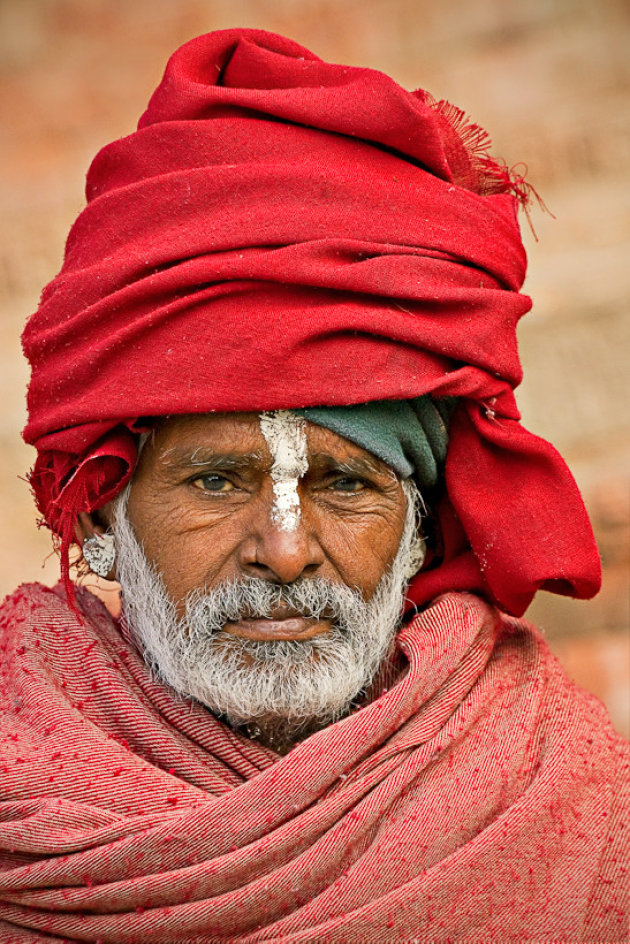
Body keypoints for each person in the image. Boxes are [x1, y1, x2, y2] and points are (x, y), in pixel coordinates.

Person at [1, 28, 627, 943]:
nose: (286, 551)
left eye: (345, 485)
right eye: (215, 482)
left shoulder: (556, 790)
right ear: (99, 515)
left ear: (422, 527)